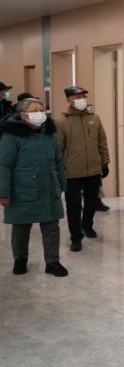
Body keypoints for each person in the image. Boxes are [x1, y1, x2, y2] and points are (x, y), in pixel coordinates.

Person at [0, 98, 68, 277]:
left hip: (49, 188)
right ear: (23, 115)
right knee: (21, 227)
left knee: (51, 227)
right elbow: (3, 166)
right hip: (22, 190)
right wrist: (3, 192)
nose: (40, 113)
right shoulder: (12, 136)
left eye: (41, 109)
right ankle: (20, 259)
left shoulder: (49, 134)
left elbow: (58, 162)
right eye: (35, 110)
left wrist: (62, 183)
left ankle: (52, 262)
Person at [54, 86, 110, 252]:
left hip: (93, 169)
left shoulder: (94, 118)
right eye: (78, 97)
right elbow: (58, 148)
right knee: (74, 206)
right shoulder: (61, 121)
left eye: (83, 96)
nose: (82, 100)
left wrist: (105, 162)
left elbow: (102, 142)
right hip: (71, 171)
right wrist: (59, 170)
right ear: (69, 100)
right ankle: (75, 237)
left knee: (92, 201)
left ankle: (87, 225)